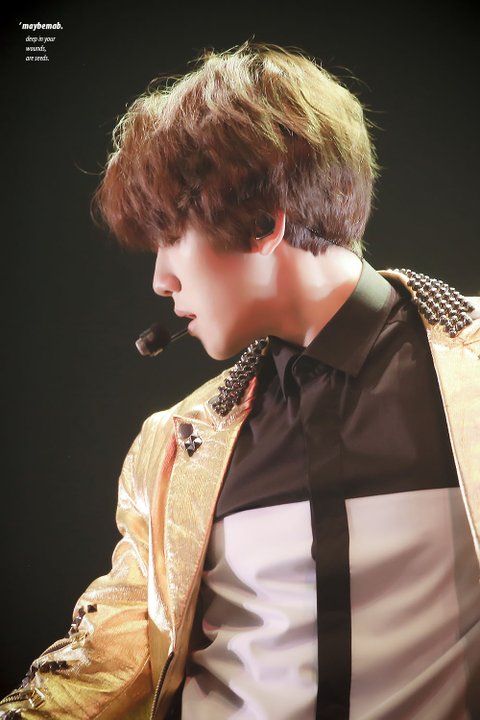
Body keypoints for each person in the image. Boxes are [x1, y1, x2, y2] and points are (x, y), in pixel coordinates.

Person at [1, 42, 479, 720]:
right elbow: (106, 661)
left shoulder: (470, 374)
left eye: (170, 236)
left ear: (261, 224)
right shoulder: (172, 447)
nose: (160, 279)